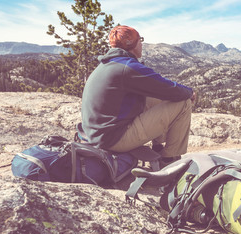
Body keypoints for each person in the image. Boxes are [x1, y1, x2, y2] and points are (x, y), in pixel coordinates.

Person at [81, 25, 195, 165]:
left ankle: (158, 147)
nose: (142, 44)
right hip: (113, 139)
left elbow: (160, 90)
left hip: (99, 135)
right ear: (132, 44)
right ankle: (169, 160)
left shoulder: (109, 63)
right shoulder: (127, 67)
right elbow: (168, 88)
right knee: (183, 103)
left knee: (155, 97)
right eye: (140, 40)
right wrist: (190, 93)